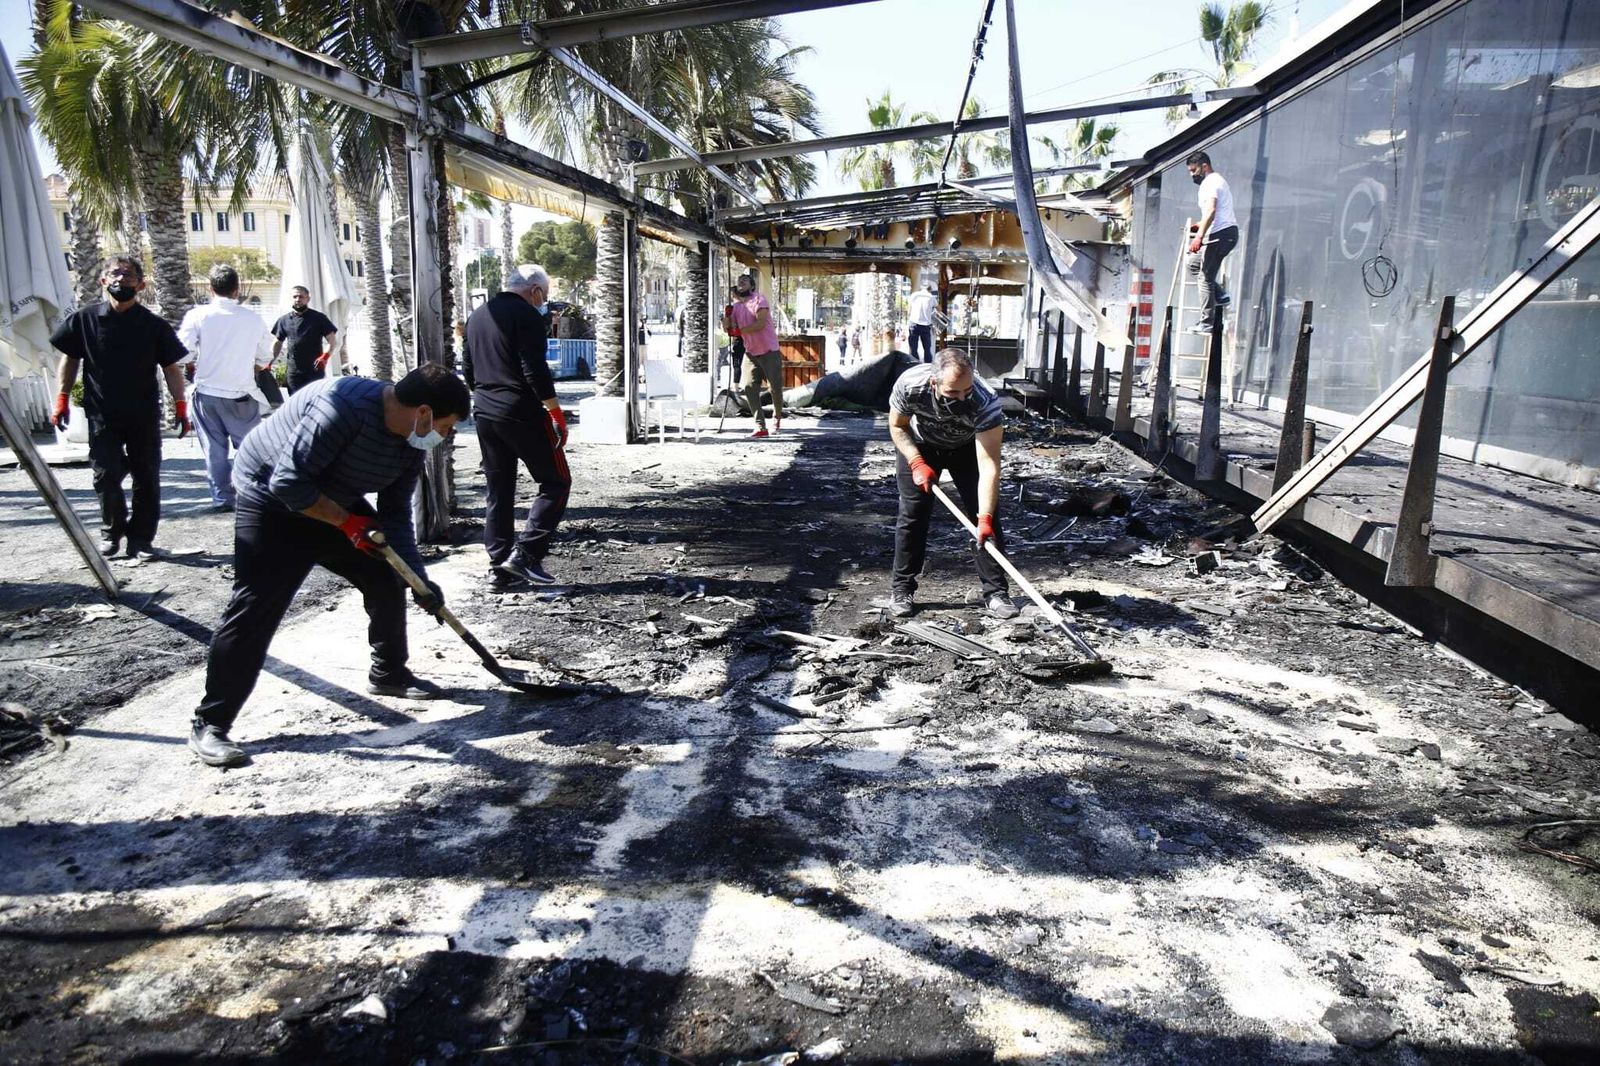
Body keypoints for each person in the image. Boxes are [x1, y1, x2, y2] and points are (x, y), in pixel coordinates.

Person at [187, 364, 469, 768]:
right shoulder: (342, 408)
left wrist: (419, 581)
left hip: (333, 498)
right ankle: (211, 723)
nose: (445, 435)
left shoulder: (411, 442)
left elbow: (394, 517)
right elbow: (288, 483)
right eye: (446, 426)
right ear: (423, 412)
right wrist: (347, 523)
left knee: (387, 575)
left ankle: (389, 674)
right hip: (270, 498)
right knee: (256, 608)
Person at [48, 254, 190, 560]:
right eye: (115, 274)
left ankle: (141, 540)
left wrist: (181, 405)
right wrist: (62, 398)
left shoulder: (154, 325)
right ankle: (112, 533)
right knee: (105, 475)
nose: (121, 279)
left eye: (128, 275)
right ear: (103, 280)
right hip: (102, 414)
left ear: (141, 285)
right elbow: (70, 359)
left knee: (146, 478)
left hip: (143, 415)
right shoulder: (84, 320)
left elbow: (171, 367)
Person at [879, 348, 1016, 620]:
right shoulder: (911, 385)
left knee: (984, 516)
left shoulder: (985, 401)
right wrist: (916, 462)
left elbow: (989, 465)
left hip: (966, 449)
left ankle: (996, 593)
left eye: (966, 390)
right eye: (953, 392)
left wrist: (985, 518)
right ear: (934, 383)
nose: (962, 398)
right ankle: (902, 589)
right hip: (920, 445)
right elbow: (897, 425)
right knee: (913, 514)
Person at [466, 264, 570, 588]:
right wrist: (555, 412)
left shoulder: (477, 316)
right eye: (545, 296)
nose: (544, 303)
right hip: (520, 411)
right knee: (556, 481)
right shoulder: (527, 316)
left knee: (498, 490)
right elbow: (534, 369)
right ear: (535, 291)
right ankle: (525, 556)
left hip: (485, 412)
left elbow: (468, 370)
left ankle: (498, 567)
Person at [178, 264, 272, 511]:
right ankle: (252, 494)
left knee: (214, 450)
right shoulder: (252, 318)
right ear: (236, 289)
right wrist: (251, 366)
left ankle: (222, 498)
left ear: (211, 288)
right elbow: (265, 356)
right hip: (242, 393)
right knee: (249, 448)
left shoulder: (198, 316)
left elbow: (183, 353)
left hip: (207, 393)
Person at [724, 272, 783, 438]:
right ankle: (760, 426)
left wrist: (739, 331)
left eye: (745, 280)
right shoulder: (736, 307)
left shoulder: (759, 299)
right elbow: (728, 329)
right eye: (739, 281)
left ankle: (777, 416)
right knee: (749, 388)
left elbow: (760, 323)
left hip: (769, 350)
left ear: (751, 286)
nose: (741, 282)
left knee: (775, 388)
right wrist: (727, 317)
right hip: (750, 352)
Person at [1185, 151, 1238, 331]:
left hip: (1221, 234)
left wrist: (1199, 237)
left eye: (1194, 170)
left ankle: (1207, 322)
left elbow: (1211, 211)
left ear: (1204, 166)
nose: (1192, 175)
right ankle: (1221, 295)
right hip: (1223, 232)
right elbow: (1218, 212)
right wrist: (1199, 225)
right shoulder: (1215, 182)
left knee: (1205, 276)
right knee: (1193, 263)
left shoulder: (1211, 182)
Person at [271, 285, 340, 393]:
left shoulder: (319, 318)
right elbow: (277, 342)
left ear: (308, 298)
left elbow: (332, 341)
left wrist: (325, 356)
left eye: (301, 297)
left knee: (314, 400)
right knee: (295, 401)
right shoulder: (284, 320)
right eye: (295, 297)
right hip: (293, 373)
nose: (298, 299)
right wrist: (269, 361)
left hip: (314, 371)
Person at [907, 282, 937, 363]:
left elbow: (909, 310)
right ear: (930, 289)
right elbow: (939, 308)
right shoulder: (931, 297)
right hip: (926, 325)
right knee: (927, 348)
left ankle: (915, 365)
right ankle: (928, 366)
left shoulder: (914, 295)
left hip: (914, 323)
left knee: (913, 348)